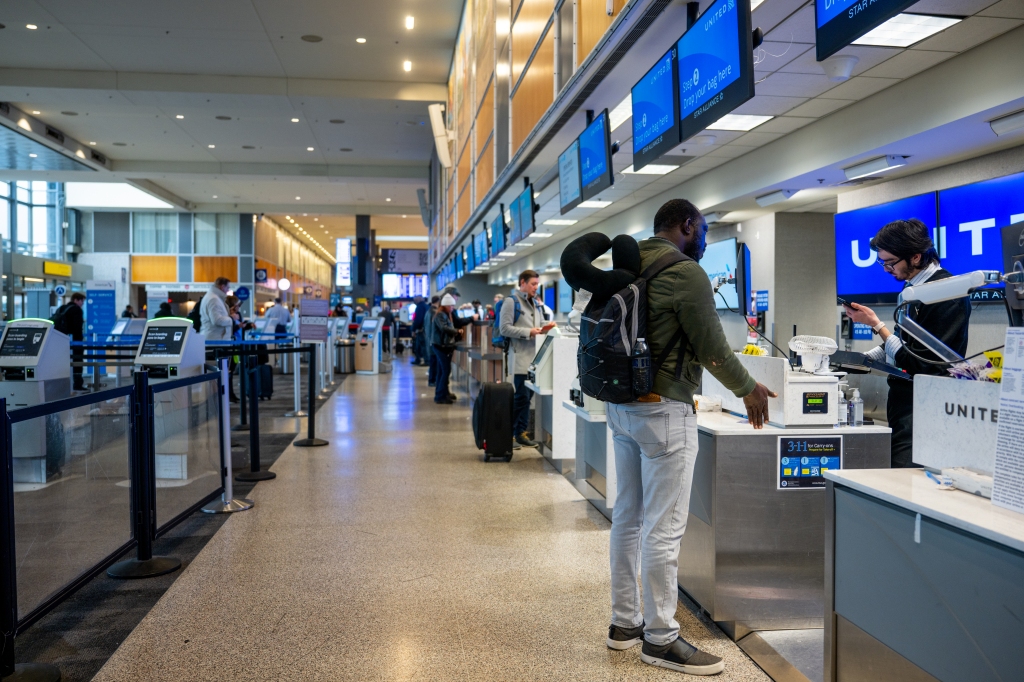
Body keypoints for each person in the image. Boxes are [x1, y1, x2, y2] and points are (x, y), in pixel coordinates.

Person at [604, 199, 775, 676]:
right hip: (663, 410)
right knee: (663, 528)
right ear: (686, 225)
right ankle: (660, 638)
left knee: (628, 518)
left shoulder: (628, 260)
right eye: (703, 229)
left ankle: (624, 624)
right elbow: (712, 346)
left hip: (621, 407)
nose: (704, 238)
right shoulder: (684, 272)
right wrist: (749, 388)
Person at [842, 218, 970, 469]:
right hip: (904, 404)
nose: (886, 270)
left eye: (890, 263)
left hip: (926, 410)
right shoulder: (912, 292)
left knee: (907, 478)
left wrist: (876, 325)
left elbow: (921, 362)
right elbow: (899, 345)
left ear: (915, 257)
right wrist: (855, 363)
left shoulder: (946, 295)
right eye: (883, 262)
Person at [499, 270, 556, 447]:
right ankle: (507, 434)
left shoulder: (536, 303)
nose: (535, 287)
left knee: (527, 397)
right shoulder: (511, 302)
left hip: (535, 360)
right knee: (520, 397)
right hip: (520, 359)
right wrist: (528, 332)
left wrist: (546, 327)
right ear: (522, 282)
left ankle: (520, 432)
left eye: (537, 284)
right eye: (533, 284)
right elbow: (504, 328)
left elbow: (536, 326)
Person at [430, 294, 474, 403]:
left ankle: (443, 393)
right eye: (451, 306)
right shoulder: (441, 315)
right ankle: (440, 396)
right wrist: (456, 331)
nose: (453, 308)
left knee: (442, 370)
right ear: (446, 305)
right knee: (445, 370)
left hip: (443, 345)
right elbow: (444, 328)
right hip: (440, 345)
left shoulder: (445, 314)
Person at [54, 292, 87, 391]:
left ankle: (62, 384)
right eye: (82, 301)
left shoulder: (61, 308)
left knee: (63, 362)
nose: (82, 304)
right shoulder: (77, 310)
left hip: (60, 340)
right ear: (76, 300)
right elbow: (77, 328)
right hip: (74, 342)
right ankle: (77, 384)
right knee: (77, 362)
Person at [200, 277, 234, 341]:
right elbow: (217, 320)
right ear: (222, 287)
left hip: (215, 339)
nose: (228, 290)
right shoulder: (214, 299)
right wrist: (231, 319)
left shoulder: (213, 297)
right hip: (216, 341)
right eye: (228, 288)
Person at [424, 296, 440, 386]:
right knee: (434, 362)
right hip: (433, 341)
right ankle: (432, 380)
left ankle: (432, 380)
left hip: (429, 340)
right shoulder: (433, 312)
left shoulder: (429, 311)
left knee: (433, 362)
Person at [410, 295, 426, 365]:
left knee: (420, 346)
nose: (414, 302)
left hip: (421, 330)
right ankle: (418, 360)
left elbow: (418, 320)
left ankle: (424, 360)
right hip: (425, 329)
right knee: (420, 346)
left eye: (415, 300)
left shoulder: (419, 307)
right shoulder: (426, 306)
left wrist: (413, 329)